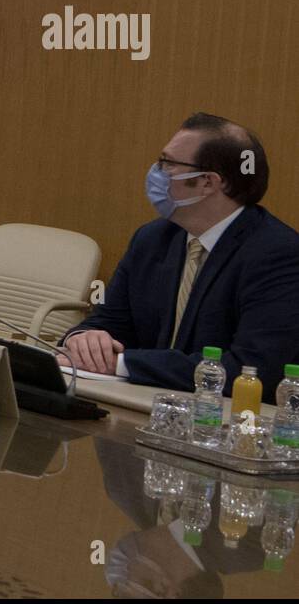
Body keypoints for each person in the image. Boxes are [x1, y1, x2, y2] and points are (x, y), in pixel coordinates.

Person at [62, 113, 299, 400]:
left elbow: (251, 370)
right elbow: (107, 322)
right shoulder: (151, 239)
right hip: (142, 405)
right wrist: (83, 340)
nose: (155, 172)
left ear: (207, 182)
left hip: (223, 425)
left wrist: (122, 364)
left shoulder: (278, 253)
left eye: (167, 164)